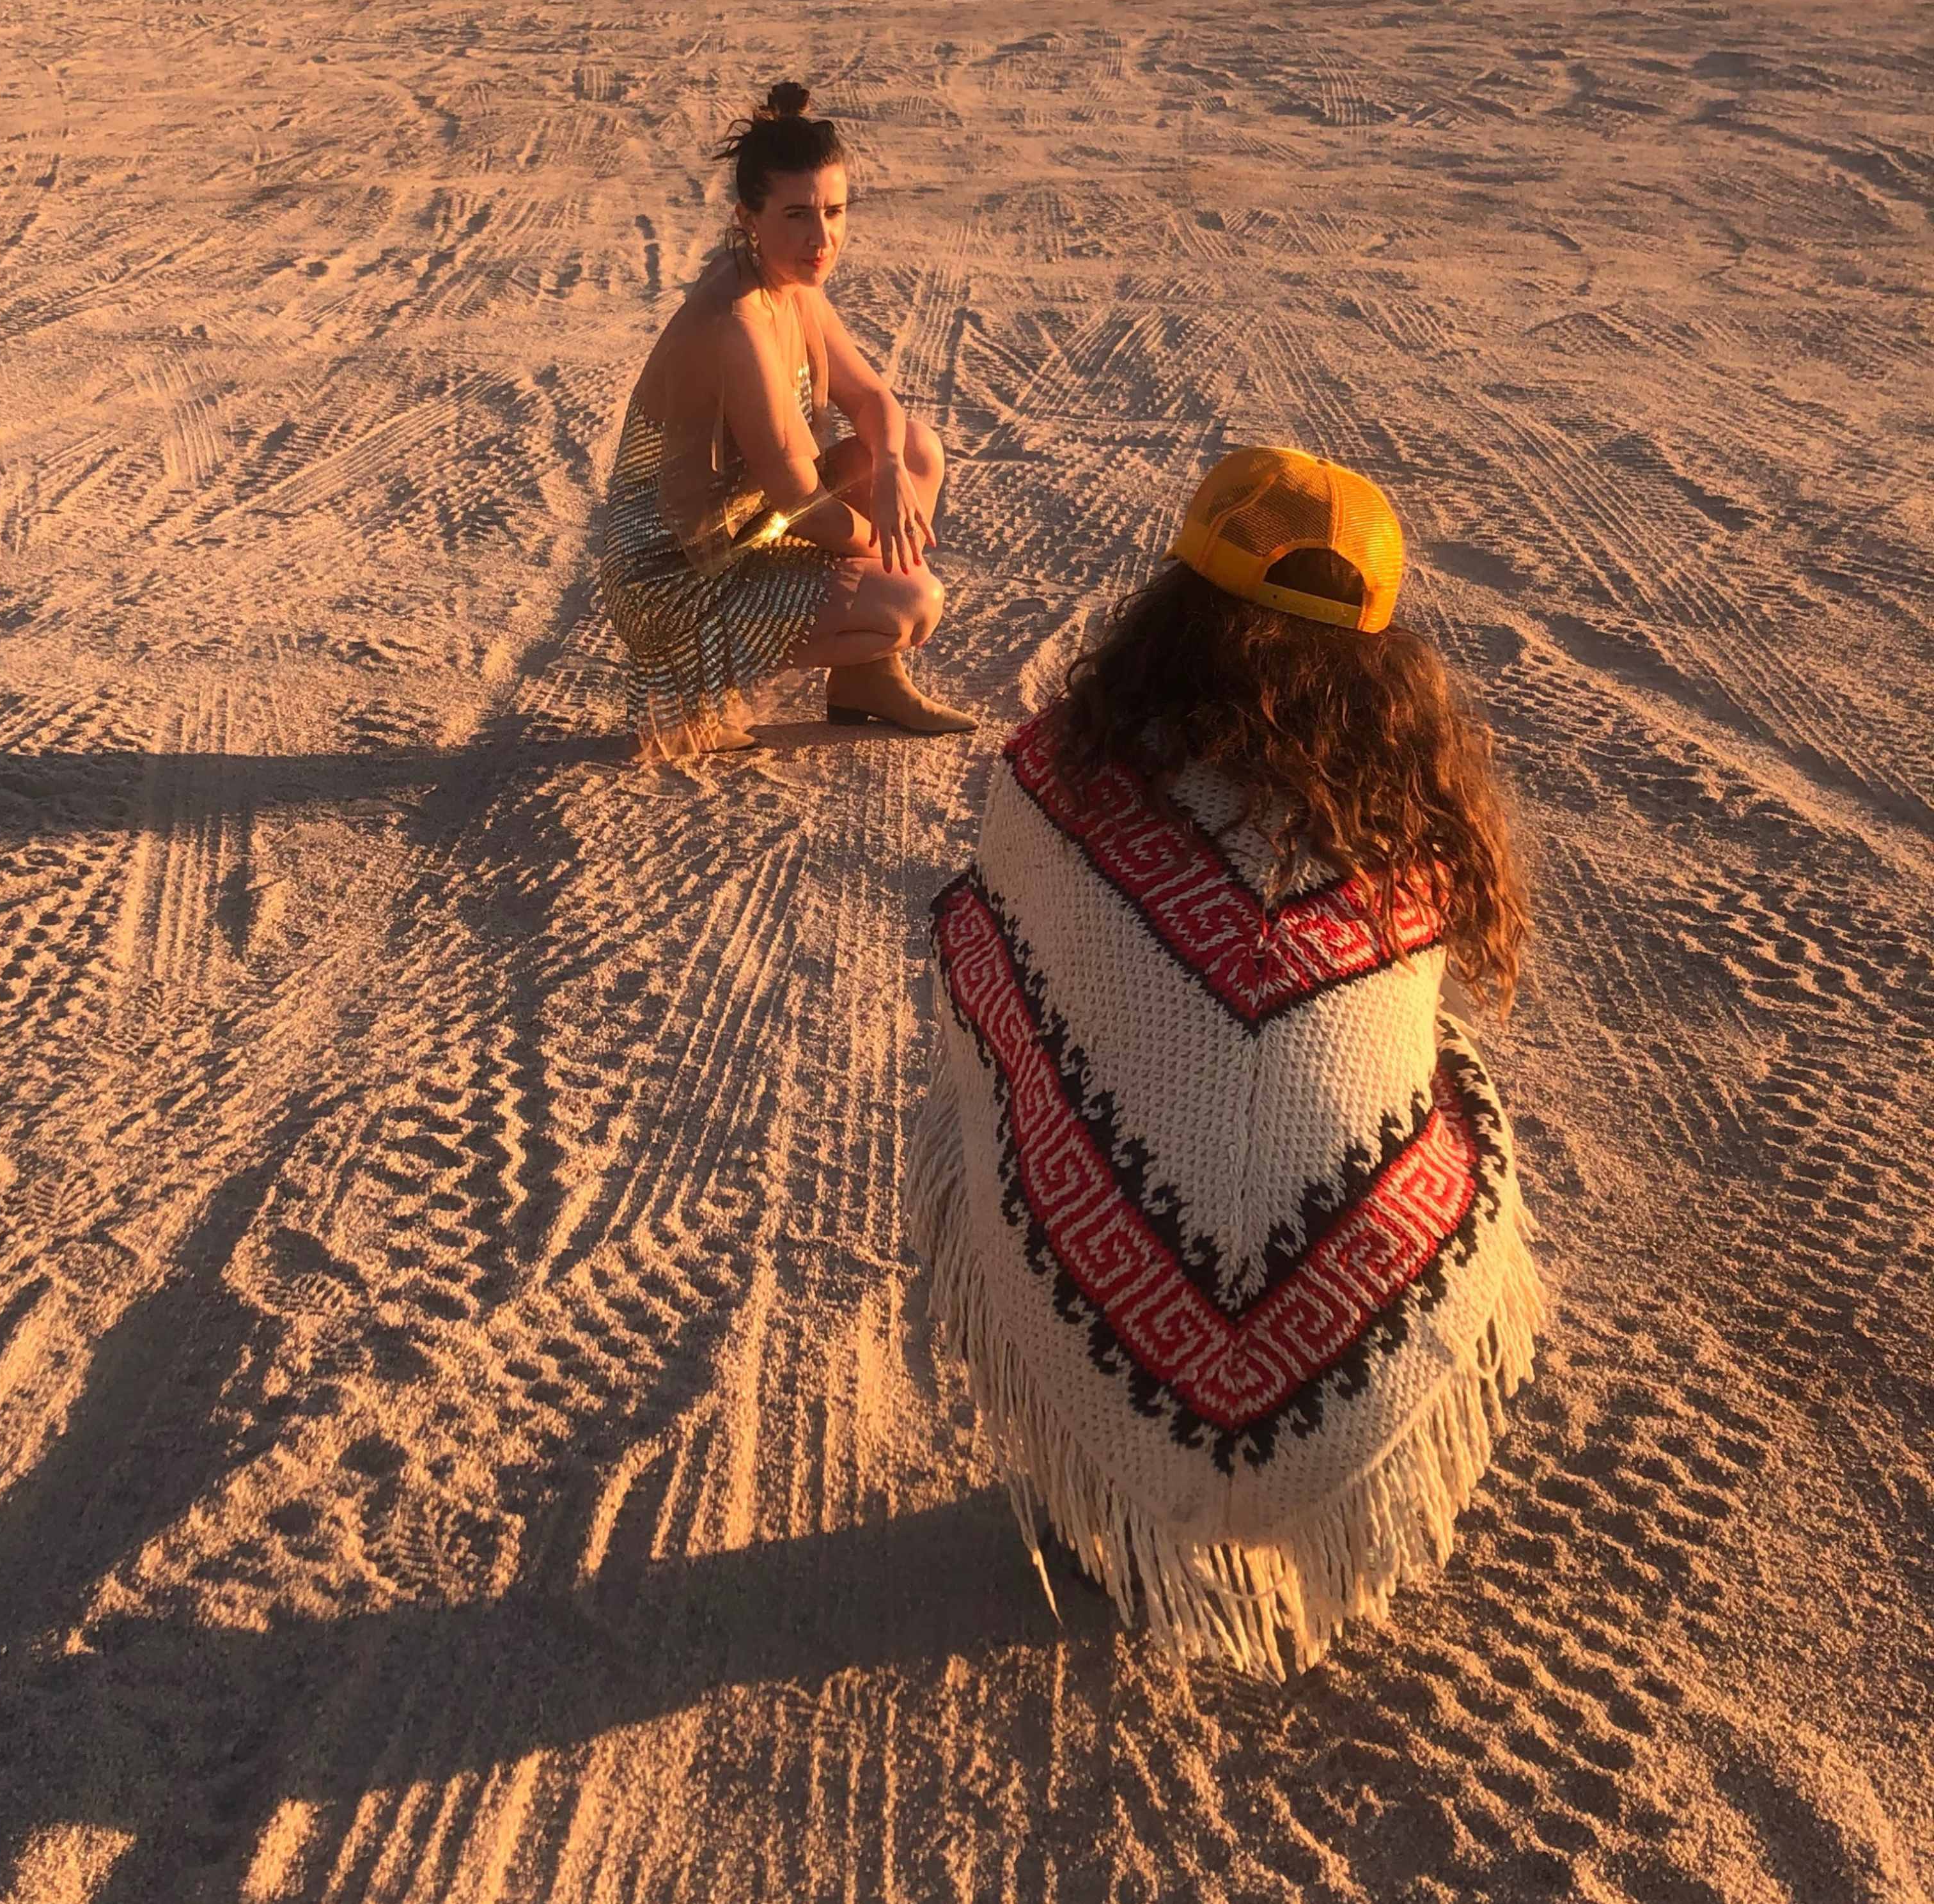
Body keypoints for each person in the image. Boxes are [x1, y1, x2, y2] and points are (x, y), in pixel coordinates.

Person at [907, 444, 1541, 1675]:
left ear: (1175, 605)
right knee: (1450, 1080)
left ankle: (1106, 1477)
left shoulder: (1051, 782)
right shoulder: (1412, 835)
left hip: (1103, 1320)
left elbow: (984, 977)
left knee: (1004, 1032)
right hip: (1366, 1342)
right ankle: (1343, 1471)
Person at [598, 85, 977, 758]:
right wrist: (888, 550)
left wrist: (888, 469)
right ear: (749, 217)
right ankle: (694, 693)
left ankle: (866, 681)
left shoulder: (792, 284)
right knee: (912, 598)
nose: (822, 237)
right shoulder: (736, 317)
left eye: (834, 212)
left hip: (748, 522)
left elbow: (875, 401)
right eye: (798, 214)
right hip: (676, 570)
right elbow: (803, 504)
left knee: (914, 446)